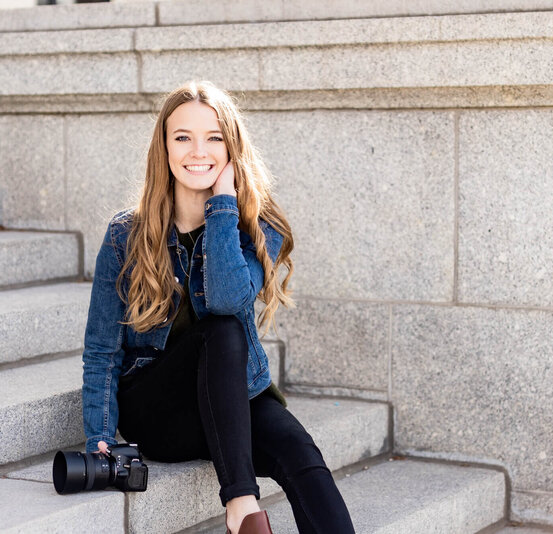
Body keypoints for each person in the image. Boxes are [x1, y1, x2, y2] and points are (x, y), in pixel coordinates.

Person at [81, 80, 355, 534]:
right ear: (164, 148)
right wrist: (100, 437)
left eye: (214, 138)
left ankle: (243, 515)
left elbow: (228, 297)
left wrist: (223, 206)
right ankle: (242, 509)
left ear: (231, 147)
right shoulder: (124, 235)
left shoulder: (254, 226)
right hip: (158, 409)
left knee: (300, 452)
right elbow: (102, 351)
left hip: (228, 398)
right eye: (182, 137)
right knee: (222, 332)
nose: (197, 151)